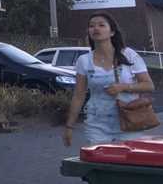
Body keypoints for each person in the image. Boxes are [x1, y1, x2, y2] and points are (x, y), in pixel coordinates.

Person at [63, 12, 155, 147]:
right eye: (91, 26)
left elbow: (149, 85)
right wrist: (69, 126)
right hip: (97, 123)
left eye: (101, 25)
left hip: (129, 120)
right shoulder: (84, 61)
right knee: (100, 162)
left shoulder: (129, 55)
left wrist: (123, 87)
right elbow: (78, 95)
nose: (96, 29)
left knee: (127, 163)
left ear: (112, 32)